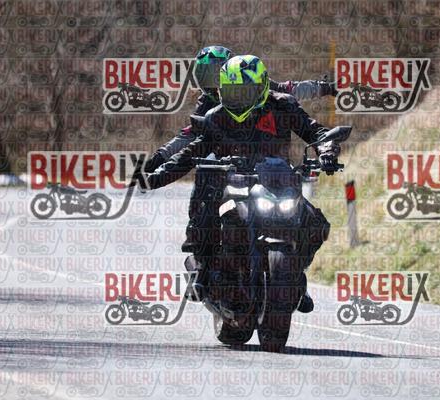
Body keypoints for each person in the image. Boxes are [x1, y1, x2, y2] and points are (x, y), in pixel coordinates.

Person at [145, 55, 340, 313]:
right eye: (233, 92)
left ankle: (294, 275)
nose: (239, 99)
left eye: (245, 92)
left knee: (315, 224)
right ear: (222, 91)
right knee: (207, 212)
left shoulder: (283, 106)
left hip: (277, 182)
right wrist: (155, 177)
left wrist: (327, 152)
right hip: (233, 183)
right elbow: (191, 152)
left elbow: (316, 132)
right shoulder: (216, 116)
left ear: (261, 87)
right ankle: (202, 270)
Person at [144, 45, 337, 172]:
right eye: (206, 76)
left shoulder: (254, 85)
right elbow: (187, 135)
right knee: (204, 187)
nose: (213, 83)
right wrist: (159, 158)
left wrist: (325, 87)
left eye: (217, 75)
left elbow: (291, 89)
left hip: (269, 163)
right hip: (228, 165)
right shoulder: (206, 103)